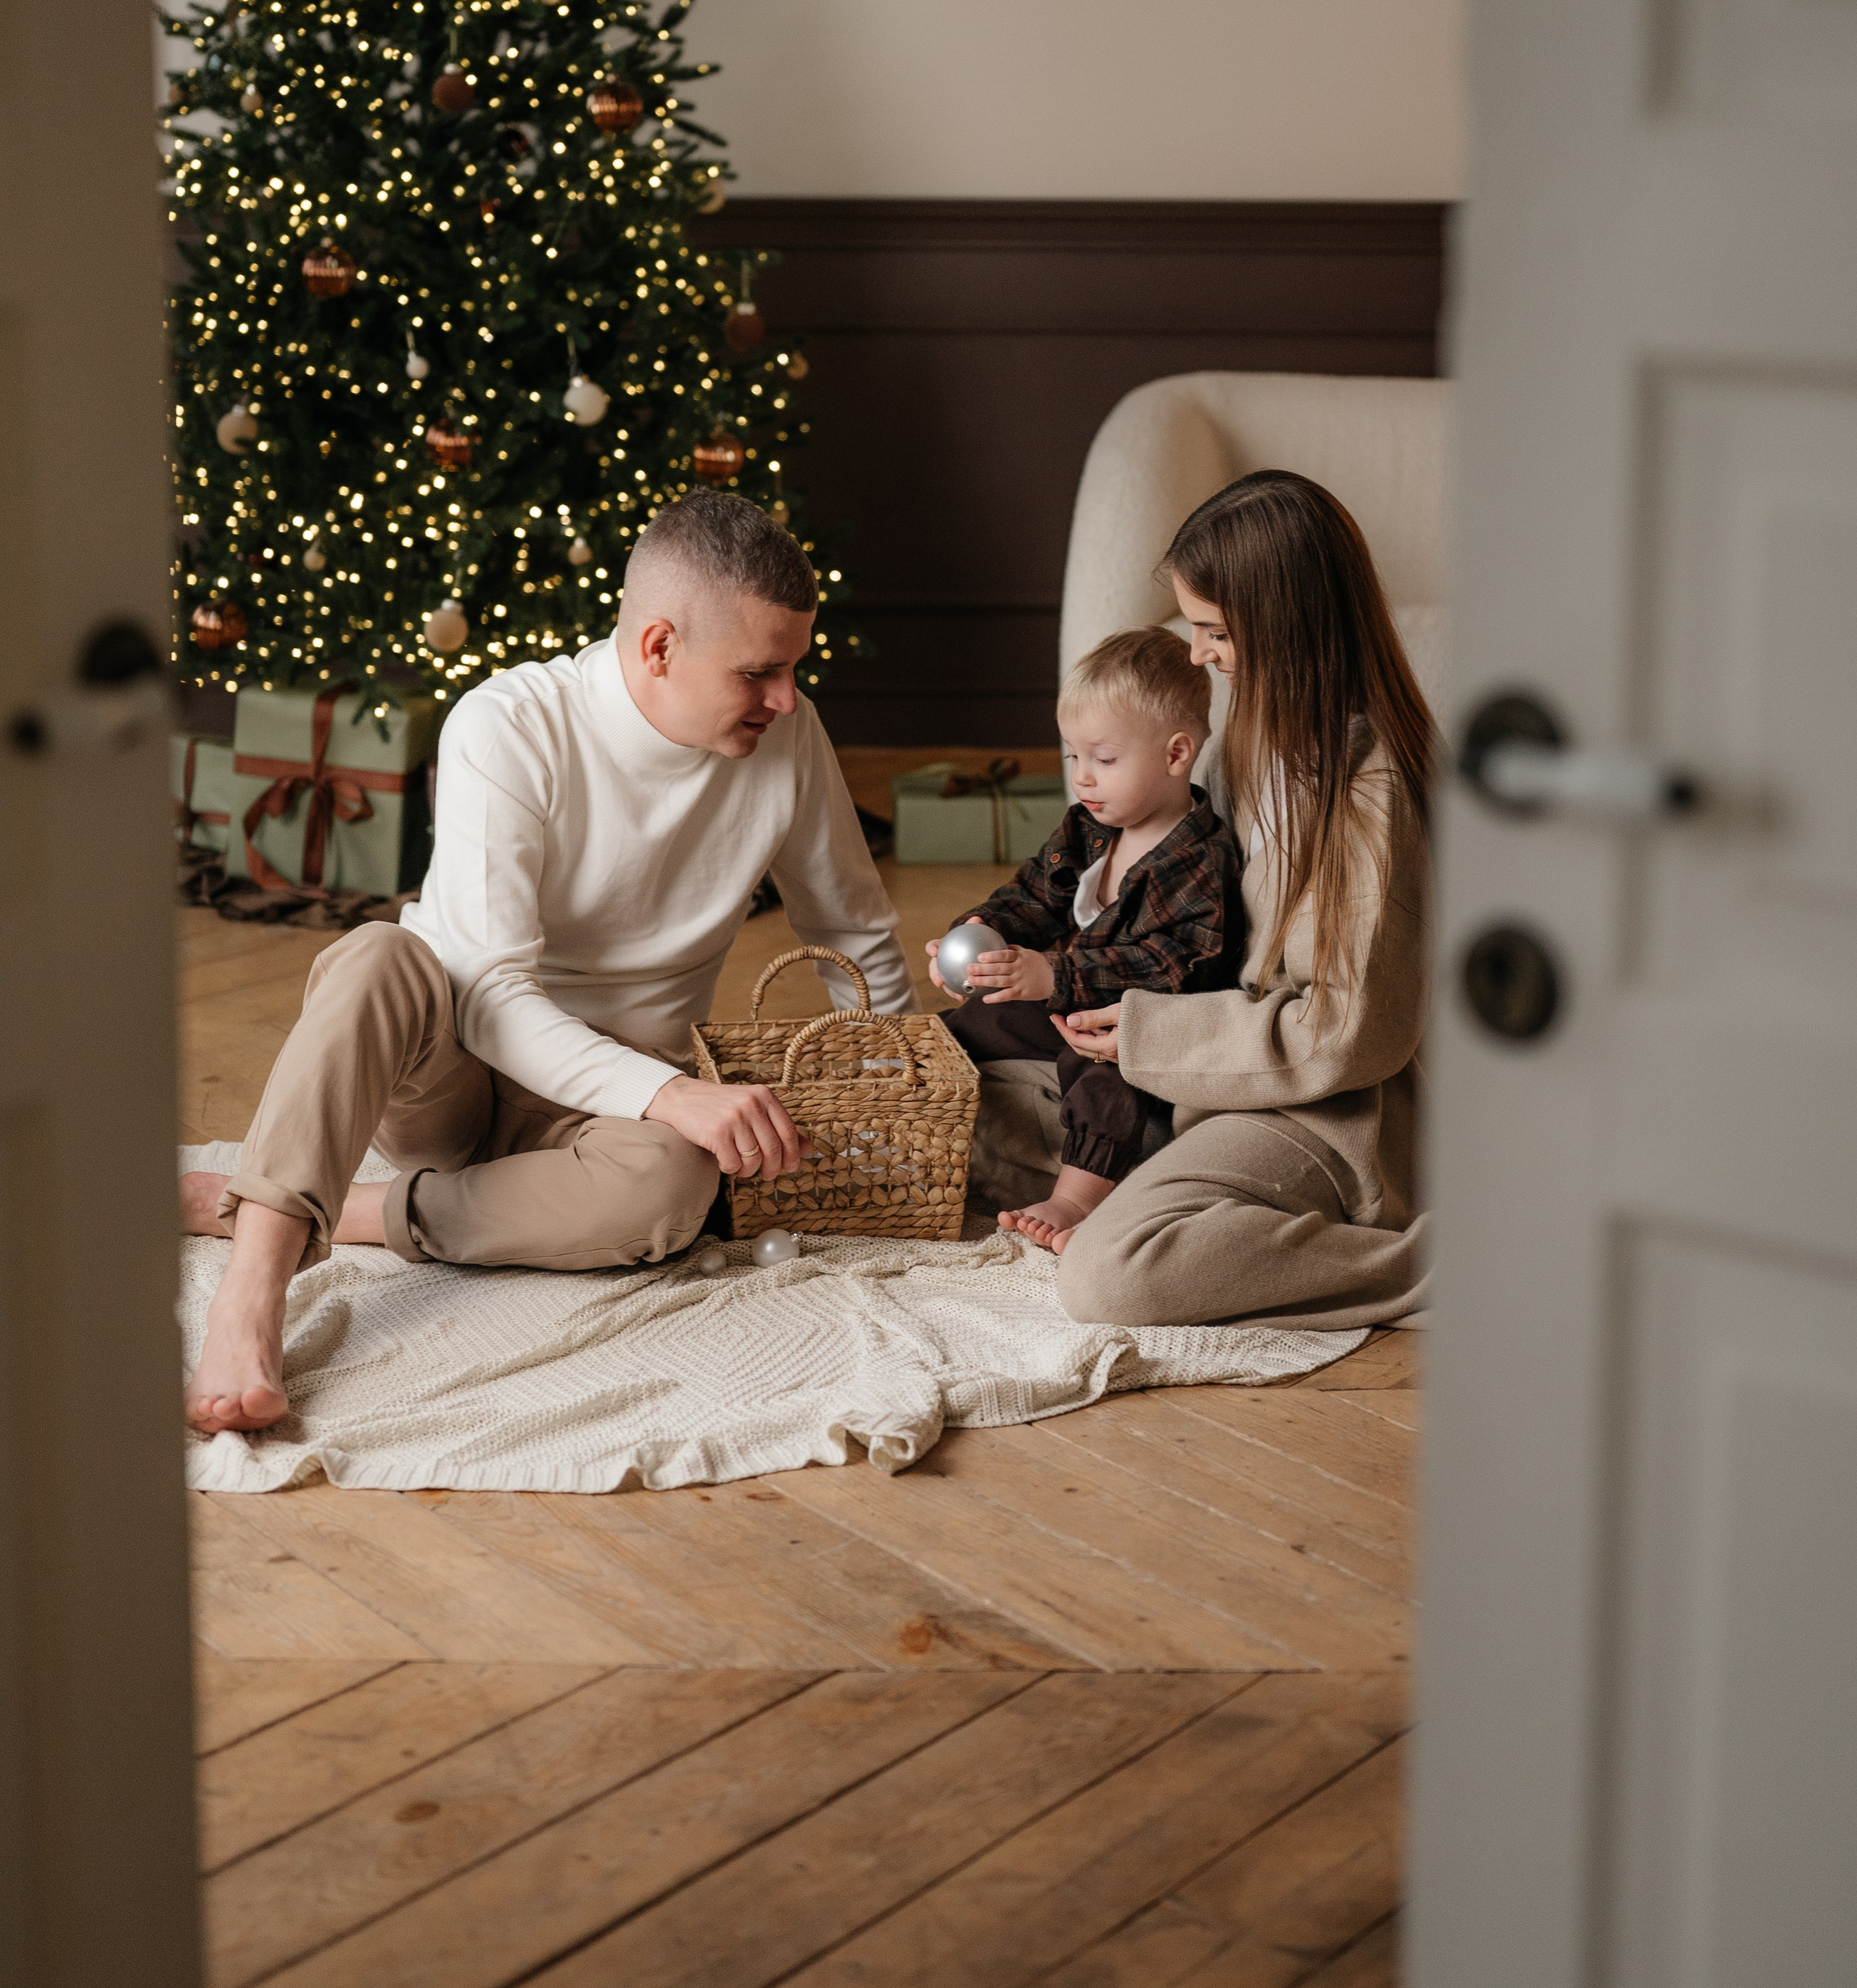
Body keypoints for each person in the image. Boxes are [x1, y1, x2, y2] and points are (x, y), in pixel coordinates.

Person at [182, 492, 914, 1434]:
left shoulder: (787, 734)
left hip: (600, 1118)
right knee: (376, 956)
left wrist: (898, 1082)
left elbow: (851, 928)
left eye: (793, 670)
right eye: (760, 672)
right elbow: (487, 997)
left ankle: (357, 1209)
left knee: (674, 1186)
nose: (785, 698)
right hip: (452, 1070)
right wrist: (671, 1094)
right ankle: (250, 1297)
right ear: (658, 646)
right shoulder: (511, 725)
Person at [1008, 468, 1433, 1331]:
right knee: (991, 1122)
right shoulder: (1244, 741)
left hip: (1330, 1112)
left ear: (1284, 623)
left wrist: (1150, 1034)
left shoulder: (1367, 789)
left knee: (1111, 1276)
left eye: (1213, 630)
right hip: (1220, 1076)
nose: (1197, 652)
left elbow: (1352, 1031)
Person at [928, 626, 1243, 1250]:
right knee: (971, 1018)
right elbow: (1033, 896)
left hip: (1132, 1028)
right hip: (1064, 1000)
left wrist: (1056, 976)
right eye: (1073, 756)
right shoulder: (1088, 829)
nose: (1083, 778)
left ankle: (1075, 1197)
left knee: (1106, 1082)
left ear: (1176, 754)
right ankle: (900, 1098)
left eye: (1103, 759)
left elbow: (1177, 965)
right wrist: (979, 933)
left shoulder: (1200, 861)